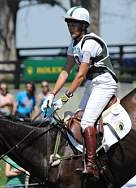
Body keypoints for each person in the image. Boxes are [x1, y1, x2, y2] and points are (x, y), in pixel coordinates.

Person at [41, 6, 118, 179]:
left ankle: (92, 164)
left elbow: (80, 74)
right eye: (69, 24)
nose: (70, 28)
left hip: (104, 83)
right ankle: (84, 156)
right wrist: (52, 95)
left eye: (74, 24)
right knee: (75, 119)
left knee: (86, 122)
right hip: (92, 85)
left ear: (83, 25)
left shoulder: (89, 43)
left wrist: (64, 98)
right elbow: (65, 71)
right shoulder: (73, 45)